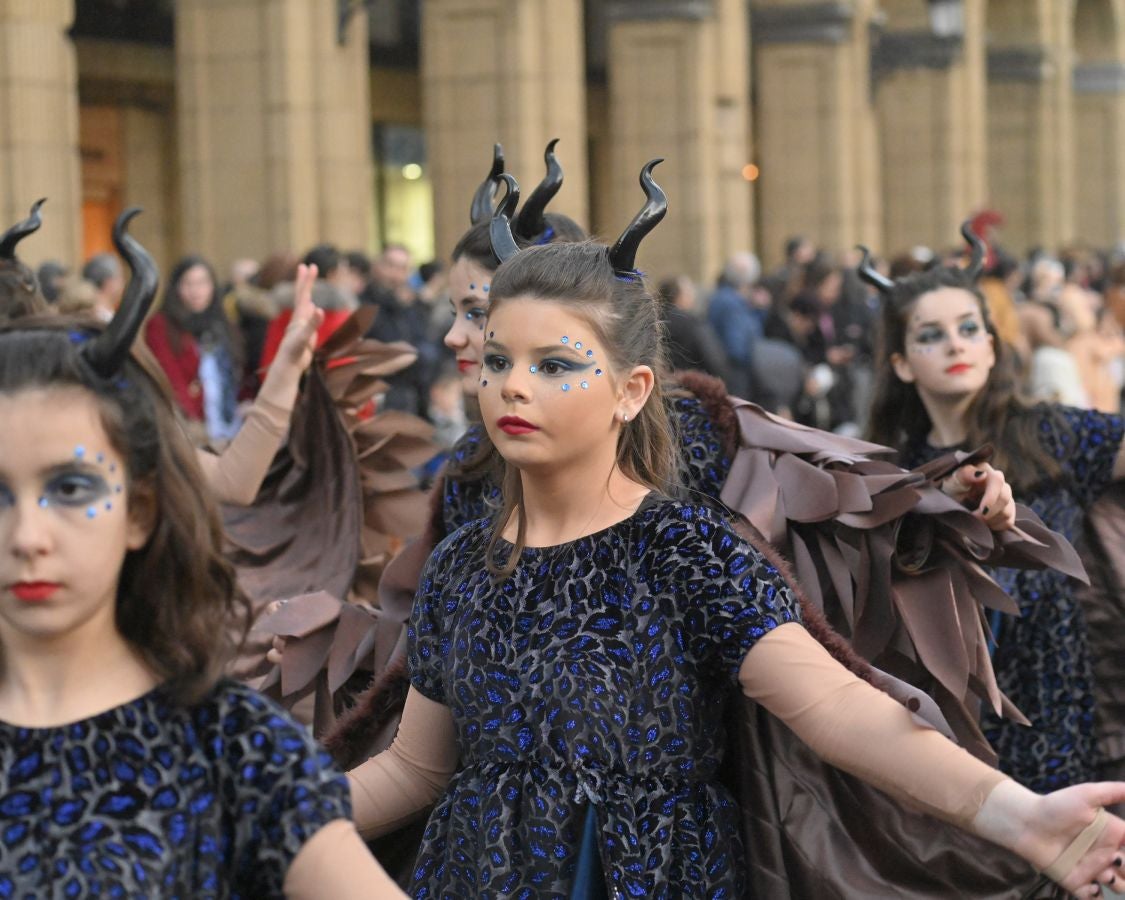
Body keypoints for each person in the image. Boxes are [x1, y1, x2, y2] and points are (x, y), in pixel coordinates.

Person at [345, 196, 1125, 899]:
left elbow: (839, 709)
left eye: (553, 364)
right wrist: (292, 810)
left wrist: (1022, 817)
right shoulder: (462, 565)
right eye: (497, 360)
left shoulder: (687, 550)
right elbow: (415, 768)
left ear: (631, 391)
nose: (513, 386)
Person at [0, 209, 404, 898]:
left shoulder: (233, 748)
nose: (27, 535)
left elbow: (230, 480)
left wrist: (284, 375)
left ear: (140, 511)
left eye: (69, 489)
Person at [863, 225, 1125, 794]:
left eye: (968, 329)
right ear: (902, 363)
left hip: (1067, 699)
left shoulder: (1051, 434)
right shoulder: (888, 471)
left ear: (990, 344)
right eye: (931, 335)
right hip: (956, 722)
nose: (955, 345)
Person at [145, 255, 244, 444]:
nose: (196, 291)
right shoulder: (161, 325)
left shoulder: (222, 324)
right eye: (188, 284)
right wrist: (190, 420)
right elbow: (169, 376)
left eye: (202, 283)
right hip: (190, 427)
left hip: (228, 424)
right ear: (176, 288)